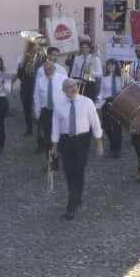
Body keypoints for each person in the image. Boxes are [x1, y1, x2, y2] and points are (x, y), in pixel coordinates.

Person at [50, 77, 104, 219]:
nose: (73, 88)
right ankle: (77, 198)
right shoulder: (59, 105)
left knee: (78, 171)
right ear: (64, 90)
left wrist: (99, 143)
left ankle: (71, 206)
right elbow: (55, 127)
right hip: (65, 141)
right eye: (69, 87)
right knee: (69, 172)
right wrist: (54, 146)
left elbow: (95, 123)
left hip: (82, 140)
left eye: (74, 85)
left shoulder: (87, 102)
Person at [32, 48, 66, 155]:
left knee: (58, 132)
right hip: (45, 109)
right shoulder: (40, 72)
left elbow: (66, 92)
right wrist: (37, 111)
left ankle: (57, 151)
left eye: (50, 69)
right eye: (46, 70)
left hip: (58, 109)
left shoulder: (62, 72)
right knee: (45, 132)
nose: (47, 71)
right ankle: (47, 152)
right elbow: (37, 94)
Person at [96, 58, 126, 158]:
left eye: (113, 64)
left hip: (118, 102)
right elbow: (101, 92)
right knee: (106, 125)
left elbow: (126, 89)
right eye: (109, 65)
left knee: (117, 126)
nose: (111, 66)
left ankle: (116, 149)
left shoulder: (121, 77)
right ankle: (113, 143)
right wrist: (98, 99)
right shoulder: (104, 78)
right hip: (107, 102)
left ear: (116, 66)